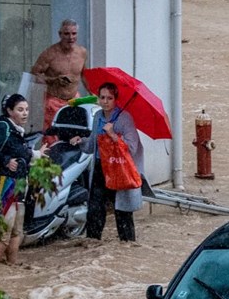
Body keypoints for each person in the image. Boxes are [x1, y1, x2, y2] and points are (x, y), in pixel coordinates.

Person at [0, 94, 51, 264]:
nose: (25, 113)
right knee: (4, 231)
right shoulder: (2, 126)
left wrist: (36, 155)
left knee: (17, 231)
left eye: (27, 109)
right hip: (6, 184)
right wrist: (5, 161)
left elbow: (19, 151)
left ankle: (13, 266)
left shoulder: (16, 130)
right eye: (20, 110)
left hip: (19, 183)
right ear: (9, 110)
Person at [73, 83, 143, 242]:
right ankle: (92, 241)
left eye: (109, 98)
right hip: (100, 168)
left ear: (116, 99)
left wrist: (113, 135)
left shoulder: (125, 118)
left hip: (119, 169)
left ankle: (127, 244)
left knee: (122, 211)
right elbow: (92, 144)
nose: (105, 101)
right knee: (95, 209)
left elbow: (132, 147)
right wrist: (80, 141)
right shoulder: (97, 116)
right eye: (102, 97)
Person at [29, 19, 88, 140]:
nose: (70, 37)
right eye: (66, 34)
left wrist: (95, 95)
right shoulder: (50, 53)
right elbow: (34, 74)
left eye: (74, 33)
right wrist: (54, 80)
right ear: (60, 34)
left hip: (74, 100)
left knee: (75, 136)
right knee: (52, 138)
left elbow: (84, 75)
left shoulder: (82, 52)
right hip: (54, 101)